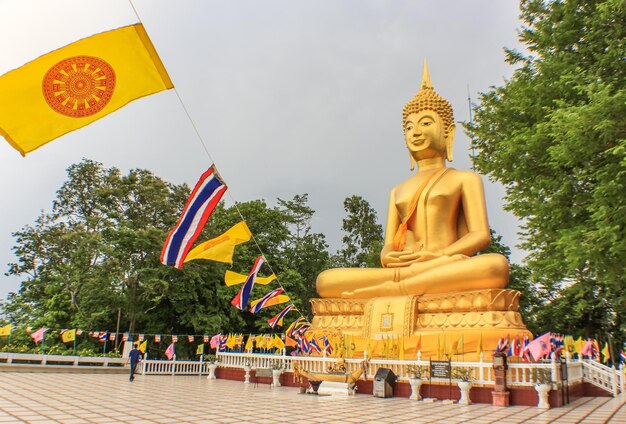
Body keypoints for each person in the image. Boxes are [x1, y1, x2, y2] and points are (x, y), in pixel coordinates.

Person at [316, 62, 509, 299]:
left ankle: (396, 289)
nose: (415, 132)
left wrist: (440, 256)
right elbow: (388, 247)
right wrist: (387, 256)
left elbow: (480, 235)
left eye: (426, 123)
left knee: (495, 266)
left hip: (443, 264)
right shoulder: (398, 191)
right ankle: (404, 284)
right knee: (325, 280)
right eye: (409, 127)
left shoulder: (464, 179)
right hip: (403, 270)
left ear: (449, 132)